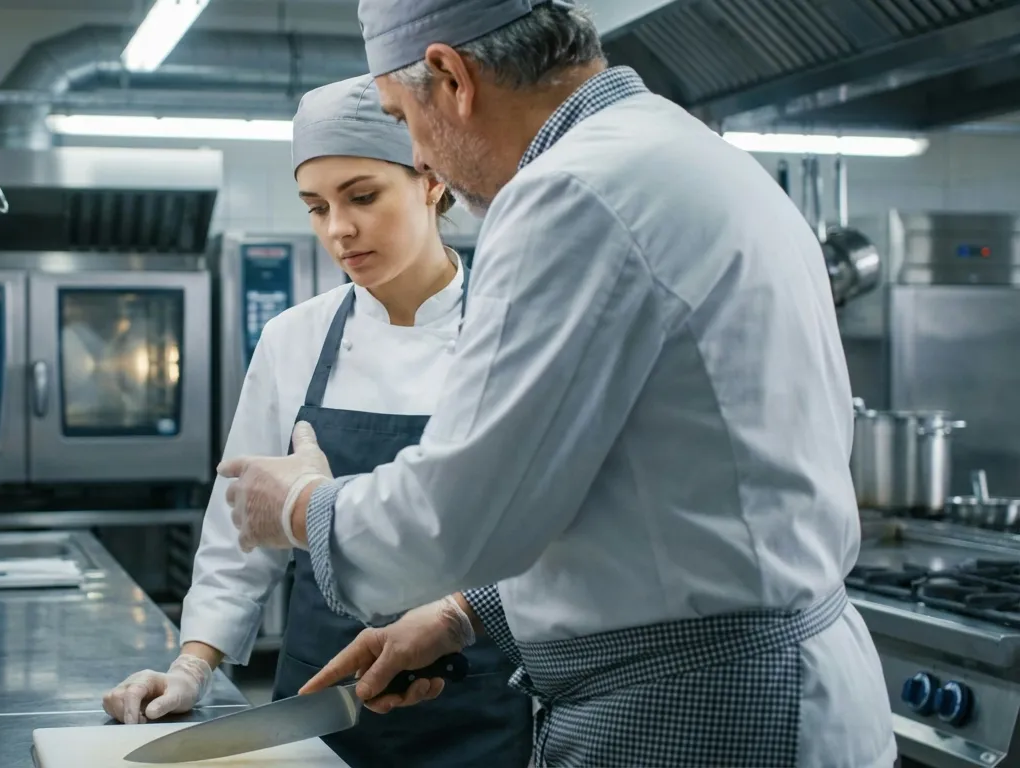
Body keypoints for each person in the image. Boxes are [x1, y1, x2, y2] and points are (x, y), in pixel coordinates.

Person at [215, 2, 898, 766]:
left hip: (695, 711)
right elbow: (643, 506)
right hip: (772, 685)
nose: (422, 157)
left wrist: (300, 505)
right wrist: (462, 617)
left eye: (403, 119)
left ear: (451, 77)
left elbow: (459, 516)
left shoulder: (569, 191)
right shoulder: (684, 153)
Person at [101, 75, 533, 768]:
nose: (339, 229)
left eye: (362, 197)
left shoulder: (515, 331)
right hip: (317, 698)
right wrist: (192, 666)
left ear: (429, 179)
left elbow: (541, 530)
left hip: (474, 696)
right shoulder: (292, 340)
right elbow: (240, 531)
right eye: (316, 206)